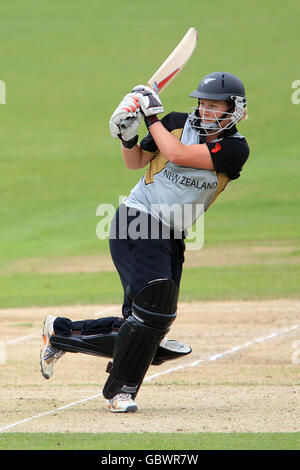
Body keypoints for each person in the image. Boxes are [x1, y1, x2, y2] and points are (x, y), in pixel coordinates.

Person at [40, 71, 250, 413]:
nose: (206, 110)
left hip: (171, 235)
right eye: (203, 103)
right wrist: (127, 135)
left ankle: (61, 333)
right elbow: (136, 161)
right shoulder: (177, 122)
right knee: (153, 313)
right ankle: (120, 392)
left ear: (235, 109)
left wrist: (149, 115)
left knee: (147, 324)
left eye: (215, 106)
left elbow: (179, 154)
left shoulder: (234, 149)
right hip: (138, 219)